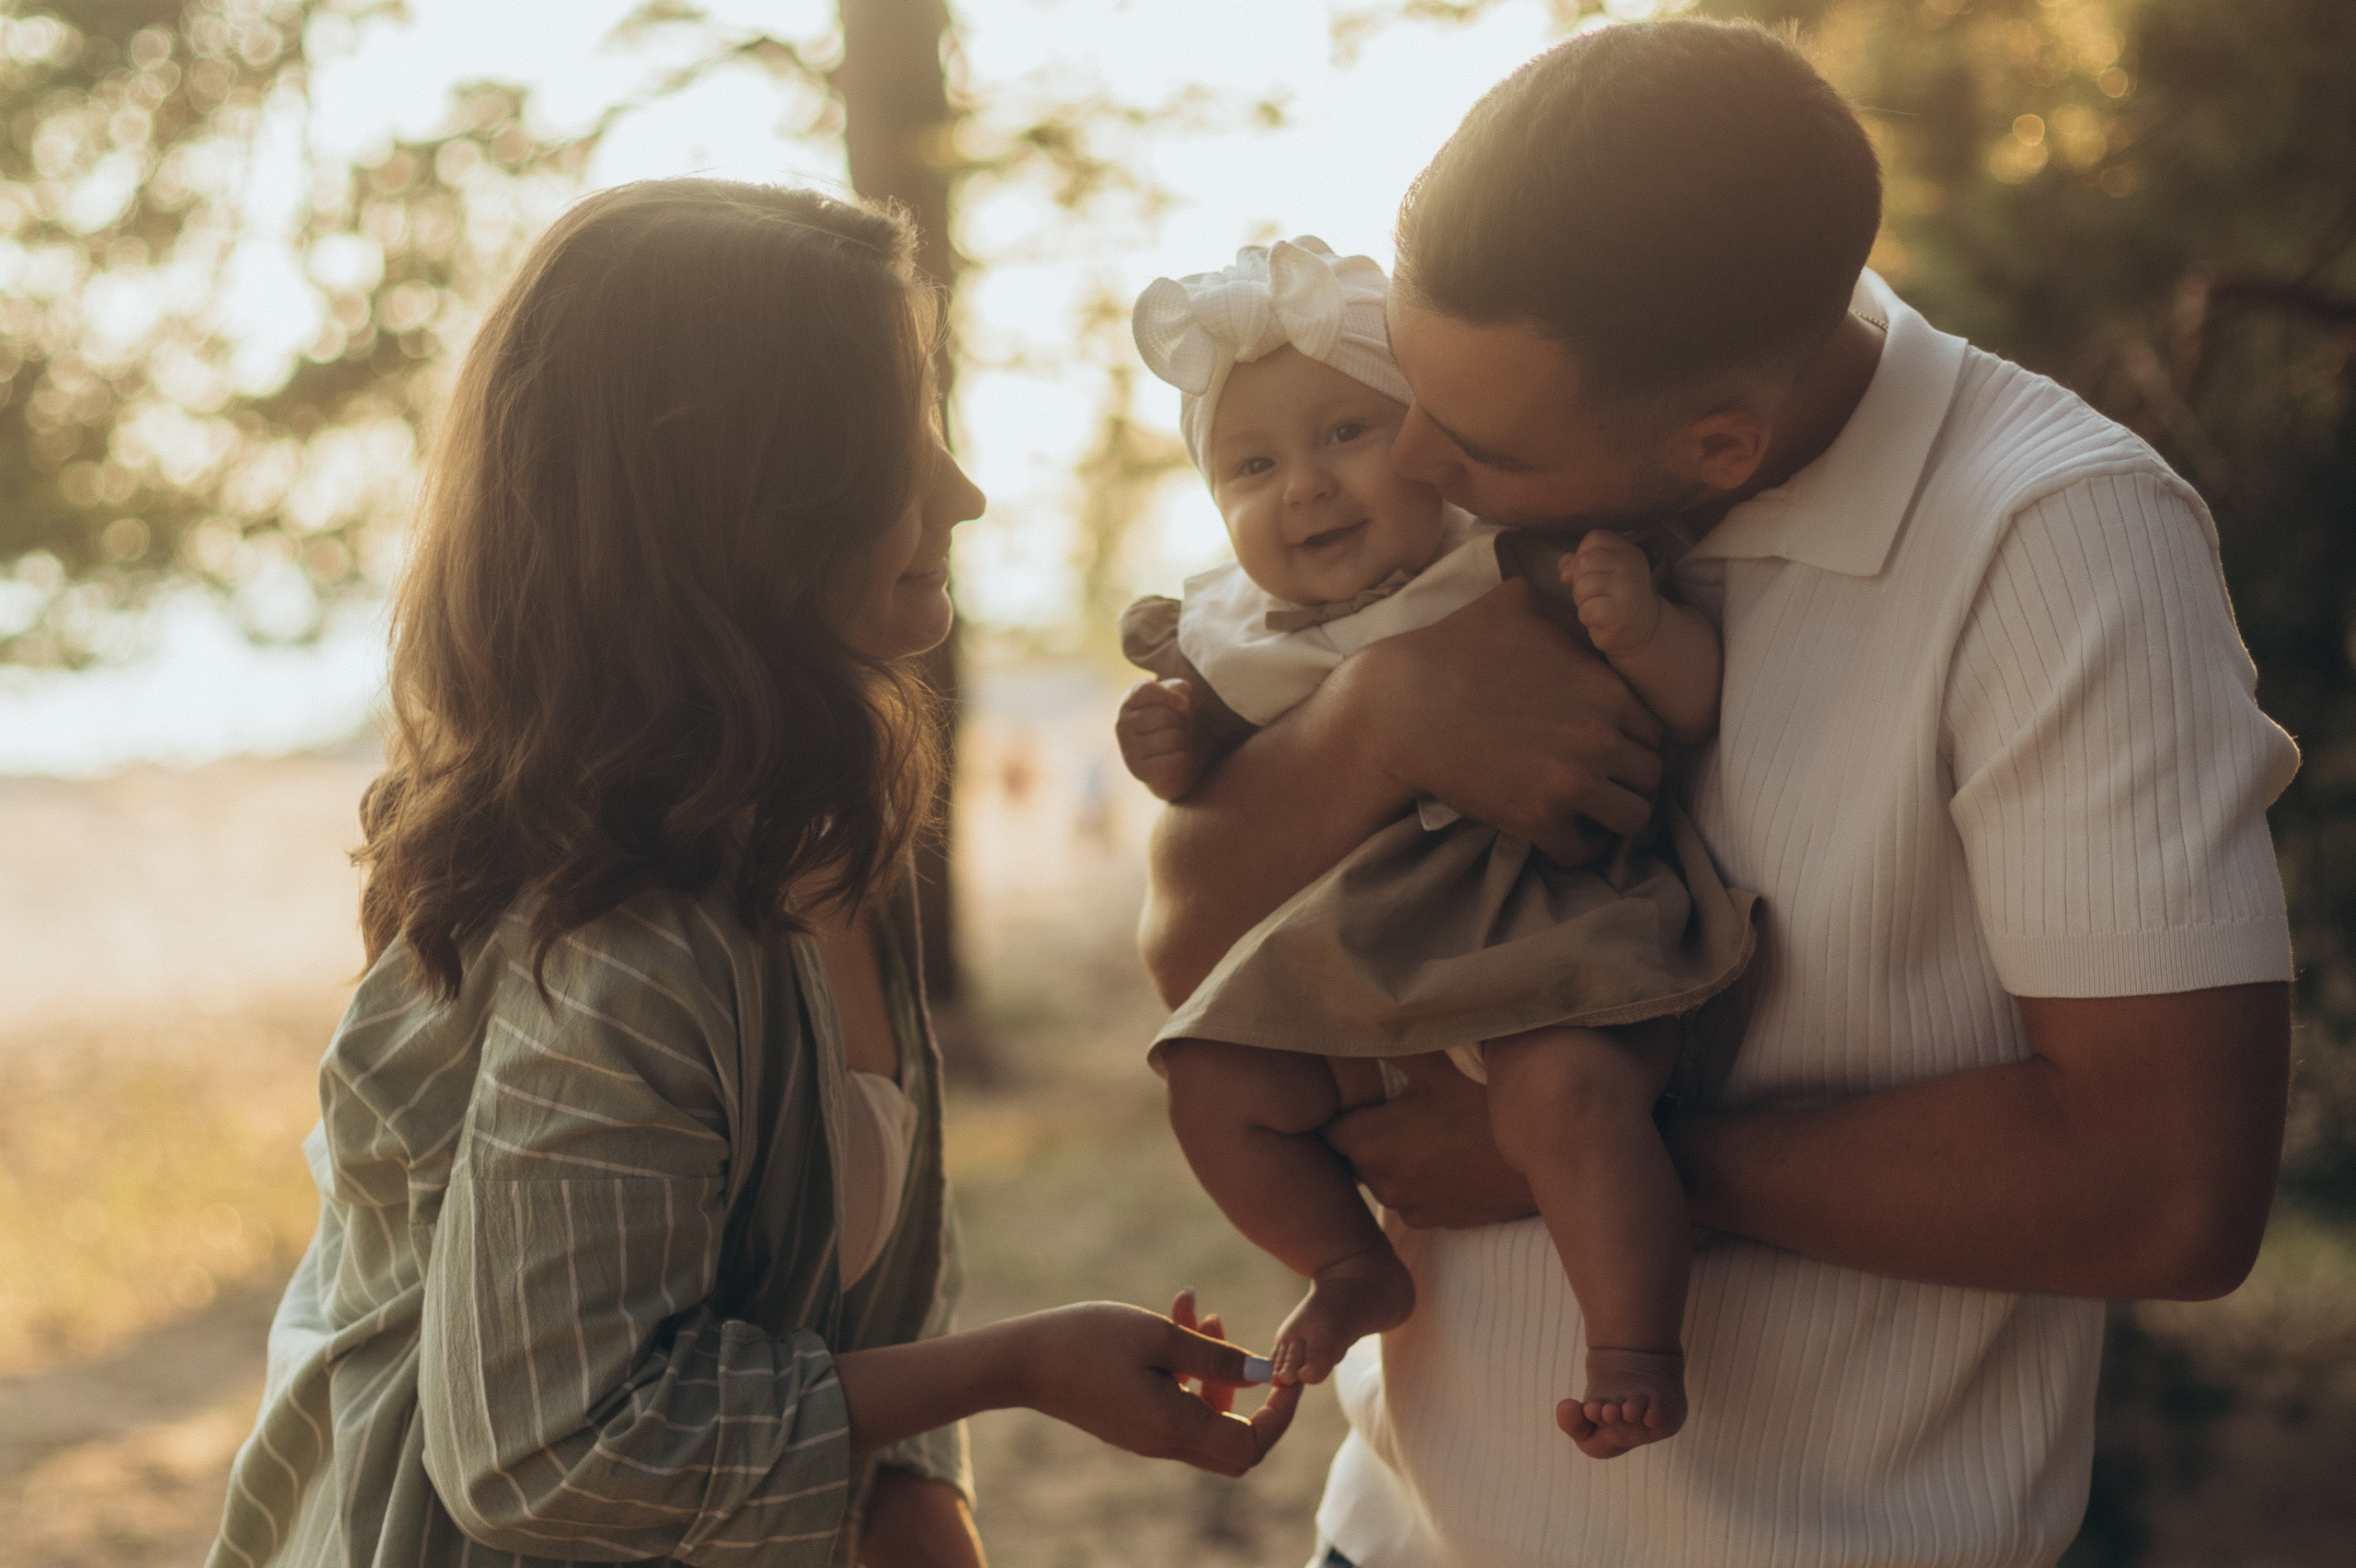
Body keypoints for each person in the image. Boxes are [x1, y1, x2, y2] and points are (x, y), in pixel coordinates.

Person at [1140, 19, 2297, 1568]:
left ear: (1717, 447)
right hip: (1396, 1533)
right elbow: (1186, 962)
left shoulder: (2055, 547)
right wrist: (1374, 722)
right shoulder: (1471, 559)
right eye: (1407, 391)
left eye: (1477, 440)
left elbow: (2169, 1192)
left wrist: (1584, 1159)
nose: (1415, 459)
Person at [206, 180, 1295, 1568]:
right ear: (742, 500)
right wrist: (1012, 1367)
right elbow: (548, 1451)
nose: (963, 491)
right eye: (893, 440)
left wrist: (933, 1500)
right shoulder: (621, 948)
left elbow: (864, 1328)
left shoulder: (824, 849)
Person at [1112, 236, 1751, 1456]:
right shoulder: (1237, 638)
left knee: (1569, 1098)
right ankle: (1350, 1262)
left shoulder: (1509, 560)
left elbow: (1683, 708)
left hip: (1545, 917)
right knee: (1212, 1082)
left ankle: (1632, 1347)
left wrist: (1646, 626)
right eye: (1252, 465)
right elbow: (1217, 814)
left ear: (1432, 443)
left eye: (1345, 434)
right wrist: (1173, 747)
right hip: (1362, 967)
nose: (1301, 486)